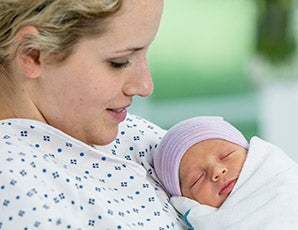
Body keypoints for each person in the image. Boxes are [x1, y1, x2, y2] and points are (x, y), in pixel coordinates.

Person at [0, 0, 186, 229]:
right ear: (32, 53)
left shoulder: (131, 133)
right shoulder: (17, 191)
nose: (145, 86)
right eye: (119, 62)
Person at [153, 116, 298, 229]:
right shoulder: (204, 218)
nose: (217, 171)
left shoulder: (281, 179)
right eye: (197, 178)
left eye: (227, 156)